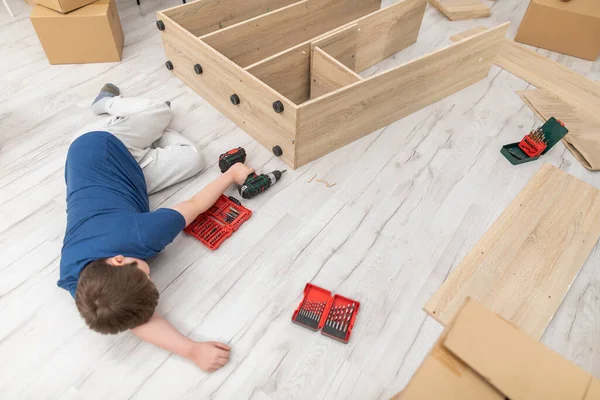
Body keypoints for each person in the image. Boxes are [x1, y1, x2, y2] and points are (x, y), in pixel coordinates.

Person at [58, 84, 254, 372]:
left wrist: (231, 175)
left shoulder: (144, 234)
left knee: (160, 110)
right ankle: (147, 132)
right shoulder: (85, 287)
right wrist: (191, 349)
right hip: (126, 178)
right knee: (192, 157)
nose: (150, 278)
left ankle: (107, 104)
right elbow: (135, 317)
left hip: (99, 145)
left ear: (119, 259)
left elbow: (197, 203)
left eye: (143, 276)